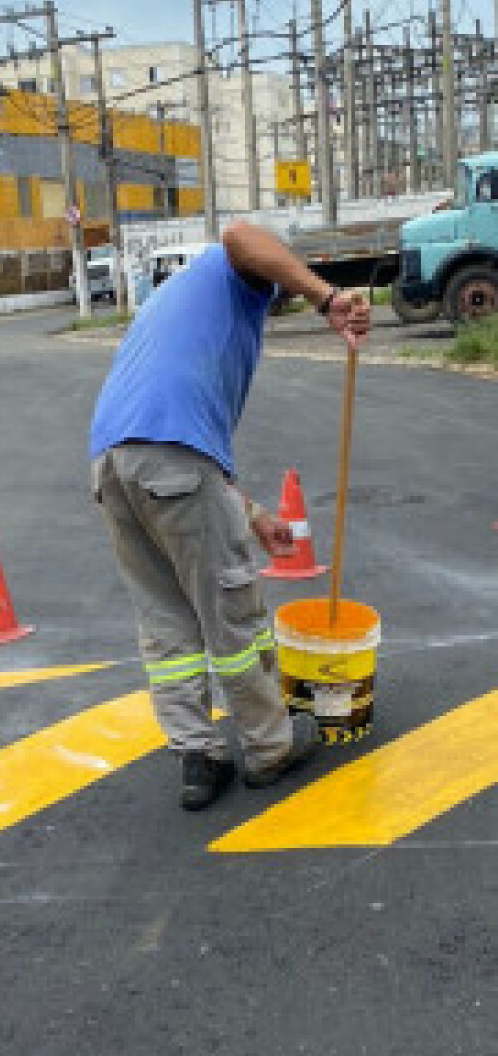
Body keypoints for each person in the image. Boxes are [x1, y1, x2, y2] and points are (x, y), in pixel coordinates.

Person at [89, 223, 370, 811]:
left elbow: (182, 453)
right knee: (233, 615)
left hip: (114, 464)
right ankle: (270, 749)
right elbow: (242, 234)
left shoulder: (185, 301)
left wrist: (254, 513)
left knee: (167, 621)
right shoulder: (233, 274)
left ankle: (197, 755)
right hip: (166, 461)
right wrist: (328, 299)